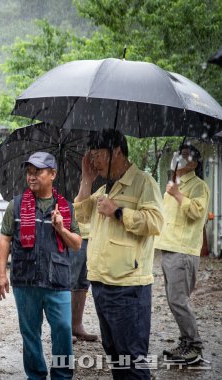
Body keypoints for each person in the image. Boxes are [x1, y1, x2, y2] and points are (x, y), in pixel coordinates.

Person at [74, 129, 163, 379]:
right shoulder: (104, 188)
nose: (94, 161)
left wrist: (118, 212)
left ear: (117, 152)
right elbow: (81, 215)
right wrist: (86, 180)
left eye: (98, 155)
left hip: (128, 286)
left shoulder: (143, 183)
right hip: (102, 283)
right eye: (91, 156)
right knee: (115, 354)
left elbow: (155, 222)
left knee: (131, 358)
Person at [0, 151, 82, 380]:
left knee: (63, 329)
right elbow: (5, 239)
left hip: (58, 281)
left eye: (38, 172)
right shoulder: (15, 206)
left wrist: (61, 228)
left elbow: (76, 244)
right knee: (30, 333)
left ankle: (62, 376)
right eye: (29, 172)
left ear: (53, 174)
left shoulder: (66, 208)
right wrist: (1, 274)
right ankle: (35, 375)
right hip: (25, 280)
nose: (31, 177)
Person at [154, 143, 210, 364]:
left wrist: (178, 194)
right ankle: (186, 342)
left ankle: (194, 346)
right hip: (169, 249)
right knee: (172, 299)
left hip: (183, 251)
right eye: (178, 154)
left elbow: (197, 213)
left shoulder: (199, 186)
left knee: (178, 299)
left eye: (185, 155)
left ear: (194, 163)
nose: (178, 157)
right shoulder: (173, 185)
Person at [70, 222, 98, 343]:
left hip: (93, 232)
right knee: (69, 279)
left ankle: (76, 325)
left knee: (84, 280)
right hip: (73, 231)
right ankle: (64, 328)